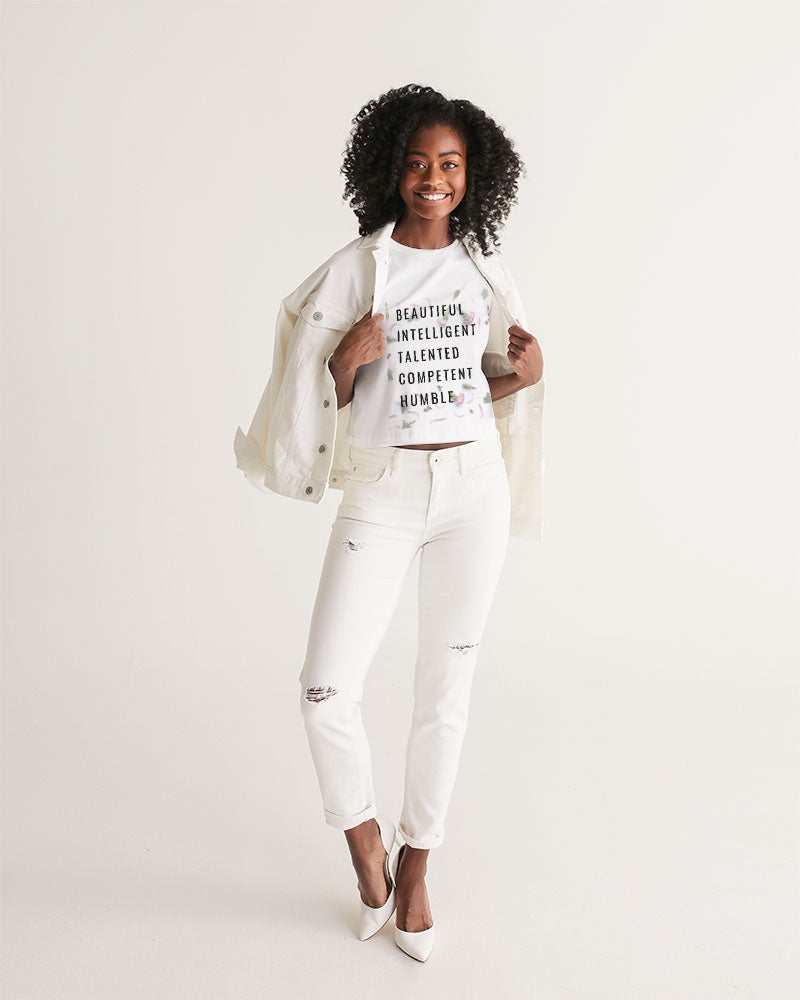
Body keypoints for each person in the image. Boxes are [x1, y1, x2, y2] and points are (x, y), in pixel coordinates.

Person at [234, 84, 544, 962]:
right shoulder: (356, 269)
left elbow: (470, 387)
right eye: (416, 163)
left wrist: (522, 378)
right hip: (383, 492)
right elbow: (309, 404)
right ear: (390, 172)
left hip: (473, 488)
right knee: (325, 688)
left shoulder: (484, 269)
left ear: (473, 174)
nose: (432, 178)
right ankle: (366, 843)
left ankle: (417, 867)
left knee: (445, 688)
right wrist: (342, 361)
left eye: (449, 164)